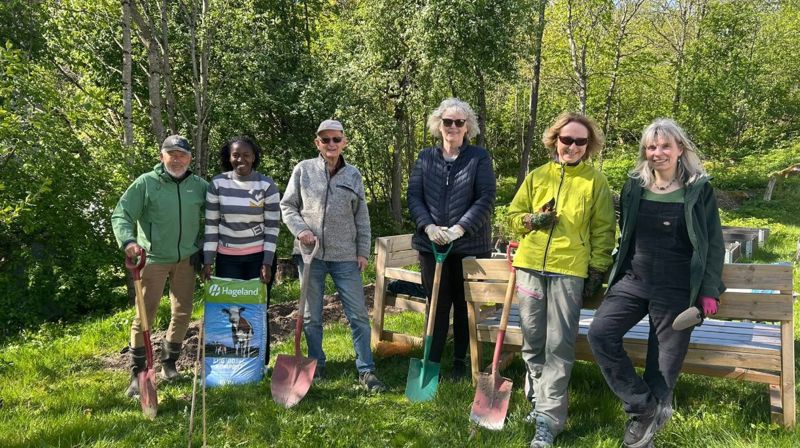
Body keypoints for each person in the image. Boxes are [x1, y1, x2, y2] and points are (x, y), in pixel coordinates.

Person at [587, 118, 725, 448]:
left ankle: (644, 432)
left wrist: (708, 289)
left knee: (663, 365)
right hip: (634, 279)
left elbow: (714, 243)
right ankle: (643, 408)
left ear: (680, 149)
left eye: (665, 146)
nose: (657, 152)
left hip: (678, 286)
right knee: (600, 334)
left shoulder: (698, 188)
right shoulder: (634, 185)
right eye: (651, 146)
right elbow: (628, 236)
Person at [507, 112, 615, 448]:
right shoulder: (537, 176)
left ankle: (549, 422)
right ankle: (539, 403)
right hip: (529, 268)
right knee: (533, 342)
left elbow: (604, 231)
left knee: (558, 346)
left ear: (588, 146)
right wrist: (532, 219)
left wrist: (596, 272)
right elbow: (510, 218)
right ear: (555, 140)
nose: (572, 146)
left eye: (580, 141)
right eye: (566, 139)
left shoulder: (595, 182)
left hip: (569, 271)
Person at [280, 119, 386, 393]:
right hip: (310, 255)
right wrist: (301, 230)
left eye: (336, 139)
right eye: (325, 140)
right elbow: (287, 205)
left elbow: (362, 217)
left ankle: (366, 369)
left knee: (358, 315)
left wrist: (363, 251)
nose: (331, 145)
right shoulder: (303, 170)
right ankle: (317, 364)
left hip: (345, 257)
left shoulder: (353, 175)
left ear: (344, 142)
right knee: (311, 316)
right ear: (317, 143)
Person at [111, 134, 208, 397]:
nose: (177, 160)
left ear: (189, 158)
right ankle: (138, 373)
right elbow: (121, 214)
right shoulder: (146, 183)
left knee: (183, 311)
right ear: (161, 156)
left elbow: (218, 212)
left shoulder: (199, 186)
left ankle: (169, 363)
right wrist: (129, 241)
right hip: (152, 259)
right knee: (145, 315)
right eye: (172, 154)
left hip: (187, 259)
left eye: (182, 155)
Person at [407, 98, 496, 380]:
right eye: (448, 122)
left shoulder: (478, 158)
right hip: (431, 245)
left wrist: (460, 228)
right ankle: (431, 363)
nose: (453, 127)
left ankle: (460, 362)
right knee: (437, 304)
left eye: (459, 122)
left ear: (467, 127)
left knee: (463, 305)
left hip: (469, 245)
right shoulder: (425, 157)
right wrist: (427, 226)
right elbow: (414, 196)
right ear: (439, 125)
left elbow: (485, 198)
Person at [203, 136, 280, 364]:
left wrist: (267, 262)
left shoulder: (266, 186)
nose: (241, 159)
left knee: (258, 310)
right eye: (236, 155)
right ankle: (234, 360)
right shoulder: (217, 184)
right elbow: (211, 225)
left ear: (254, 157)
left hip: (259, 259)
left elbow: (272, 227)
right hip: (228, 259)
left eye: (246, 155)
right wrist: (208, 260)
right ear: (229, 158)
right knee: (232, 310)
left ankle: (260, 362)